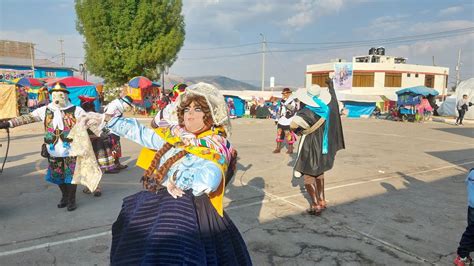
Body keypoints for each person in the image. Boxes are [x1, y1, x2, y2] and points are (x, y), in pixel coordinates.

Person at [84, 83, 251, 265]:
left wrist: (175, 179)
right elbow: (143, 134)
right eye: (187, 109)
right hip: (164, 197)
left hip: (192, 208)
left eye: (197, 109)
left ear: (211, 115)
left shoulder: (215, 144)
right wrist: (107, 120)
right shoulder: (179, 135)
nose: (189, 114)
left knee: (180, 252)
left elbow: (209, 181)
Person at [0, 82, 86, 211]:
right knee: (58, 175)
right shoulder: (45, 110)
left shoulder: (76, 110)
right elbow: (28, 117)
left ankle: (71, 199)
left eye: (61, 94)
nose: (58, 97)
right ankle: (65, 196)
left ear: (66, 95)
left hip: (71, 149)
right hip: (53, 150)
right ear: (51, 95)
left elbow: (89, 121)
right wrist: (9, 123)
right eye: (55, 94)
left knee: (71, 176)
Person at [291, 79, 345, 215]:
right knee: (319, 173)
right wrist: (331, 86)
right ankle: (322, 200)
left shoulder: (305, 112)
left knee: (308, 176)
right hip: (324, 145)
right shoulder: (328, 109)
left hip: (310, 147)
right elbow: (334, 102)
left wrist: (299, 131)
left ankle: (315, 205)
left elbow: (293, 125)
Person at [103, 95, 134, 171]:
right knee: (111, 148)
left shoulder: (118, 106)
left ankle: (117, 164)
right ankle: (110, 166)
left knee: (116, 147)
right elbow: (106, 118)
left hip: (115, 130)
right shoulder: (114, 106)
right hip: (110, 131)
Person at [454, 168, 474, 266]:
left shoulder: (472, 172)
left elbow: (467, 183)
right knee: (471, 231)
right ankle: (462, 256)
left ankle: (463, 255)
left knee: (471, 230)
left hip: (472, 207)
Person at [273, 88, 297, 154]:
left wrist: (285, 104)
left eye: (285, 93)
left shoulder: (292, 101)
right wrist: (276, 119)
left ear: (289, 94)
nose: (283, 95)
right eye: (283, 93)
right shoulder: (281, 101)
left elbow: (293, 110)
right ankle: (278, 148)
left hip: (288, 121)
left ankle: (290, 149)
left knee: (288, 134)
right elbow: (279, 111)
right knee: (279, 134)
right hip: (281, 120)